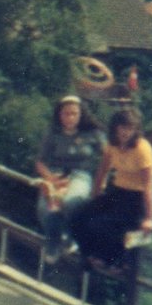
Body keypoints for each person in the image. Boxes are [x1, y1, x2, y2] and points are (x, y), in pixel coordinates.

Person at [69, 108, 152, 275]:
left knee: (102, 225)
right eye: (123, 127)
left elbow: (148, 186)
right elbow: (103, 170)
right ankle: (88, 257)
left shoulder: (142, 150)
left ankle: (111, 262)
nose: (126, 132)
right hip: (117, 191)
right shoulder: (112, 144)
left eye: (130, 128)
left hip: (136, 198)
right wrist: (95, 196)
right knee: (79, 216)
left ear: (135, 130)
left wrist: (149, 218)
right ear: (116, 127)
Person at [33, 95, 104, 264]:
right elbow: (39, 162)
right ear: (59, 114)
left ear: (81, 114)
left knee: (73, 201)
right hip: (56, 175)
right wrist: (51, 178)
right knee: (46, 208)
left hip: (81, 175)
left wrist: (104, 179)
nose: (70, 117)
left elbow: (108, 156)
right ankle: (57, 241)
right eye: (66, 113)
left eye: (74, 113)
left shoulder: (92, 133)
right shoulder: (53, 133)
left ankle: (66, 237)